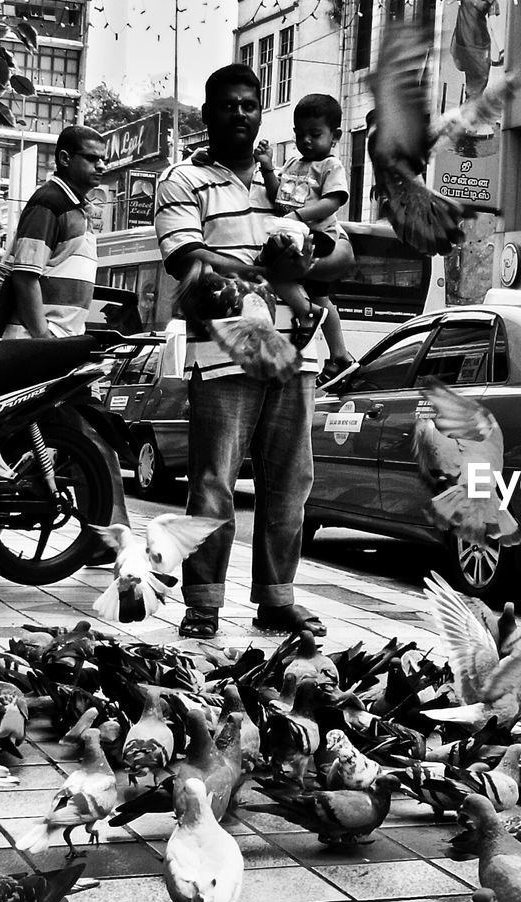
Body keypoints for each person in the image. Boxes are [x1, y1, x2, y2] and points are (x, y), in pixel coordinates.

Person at [153, 63, 354, 641]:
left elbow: (342, 254)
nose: (240, 113)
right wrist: (274, 267)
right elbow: (188, 262)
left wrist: (299, 260)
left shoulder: (294, 180)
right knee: (213, 482)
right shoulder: (181, 181)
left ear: (260, 111)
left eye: (250, 104)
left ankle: (276, 600)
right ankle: (204, 602)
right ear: (208, 113)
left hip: (297, 355)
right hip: (222, 354)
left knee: (290, 483)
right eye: (229, 105)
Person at [0, 125, 131, 533]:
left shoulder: (76, 208)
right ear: (65, 158)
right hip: (35, 346)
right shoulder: (49, 203)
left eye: (103, 158)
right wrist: (42, 342)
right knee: (90, 443)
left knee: (56, 441)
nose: (101, 165)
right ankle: (109, 537)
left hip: (54, 344)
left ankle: (105, 536)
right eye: (91, 157)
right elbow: (25, 275)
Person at [254, 93, 356, 390]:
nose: (307, 141)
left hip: (319, 235)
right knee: (322, 297)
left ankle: (306, 313)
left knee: (269, 268)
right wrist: (268, 167)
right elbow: (277, 195)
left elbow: (333, 202)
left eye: (315, 134)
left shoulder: (330, 165)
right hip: (292, 232)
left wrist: (298, 217)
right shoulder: (294, 163)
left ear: (335, 136)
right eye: (301, 134)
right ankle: (339, 355)